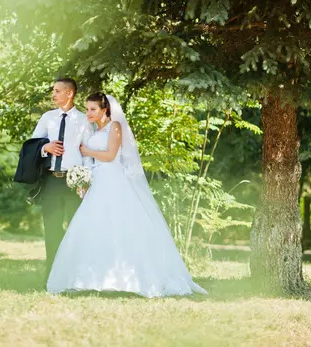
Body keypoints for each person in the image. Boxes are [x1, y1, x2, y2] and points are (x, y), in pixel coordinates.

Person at [46, 92, 208, 298]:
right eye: (86, 109)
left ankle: (130, 277)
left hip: (113, 179)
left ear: (105, 109)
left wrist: (88, 152)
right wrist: (83, 178)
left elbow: (111, 155)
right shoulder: (93, 129)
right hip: (97, 181)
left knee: (120, 224)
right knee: (95, 226)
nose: (88, 113)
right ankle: (93, 277)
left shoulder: (115, 127)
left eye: (93, 109)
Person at [31, 78, 92, 279]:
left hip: (75, 184)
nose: (53, 94)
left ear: (70, 93)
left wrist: (85, 183)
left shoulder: (83, 120)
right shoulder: (48, 118)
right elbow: (31, 144)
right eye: (53, 91)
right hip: (51, 182)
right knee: (52, 230)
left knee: (77, 231)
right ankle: (52, 277)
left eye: (57, 91)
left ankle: (76, 277)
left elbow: (88, 154)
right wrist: (44, 148)